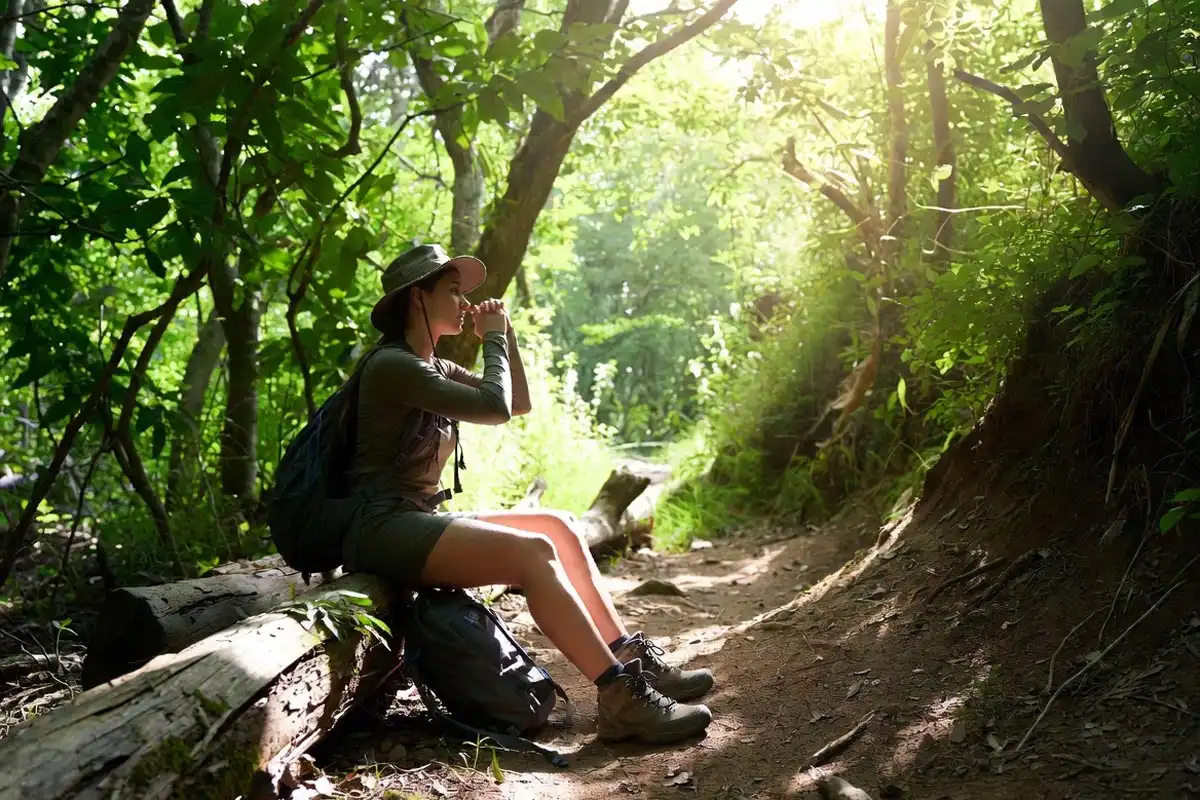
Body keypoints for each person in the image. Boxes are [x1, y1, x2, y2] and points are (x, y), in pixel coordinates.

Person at [341, 243, 714, 745]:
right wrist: (490, 339)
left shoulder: (433, 367)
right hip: (380, 525)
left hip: (413, 517)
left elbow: (518, 403)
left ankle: (628, 656)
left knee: (556, 526)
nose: (465, 301)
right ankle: (621, 700)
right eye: (452, 291)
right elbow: (494, 406)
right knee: (534, 554)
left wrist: (505, 337)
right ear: (417, 299)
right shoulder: (393, 366)